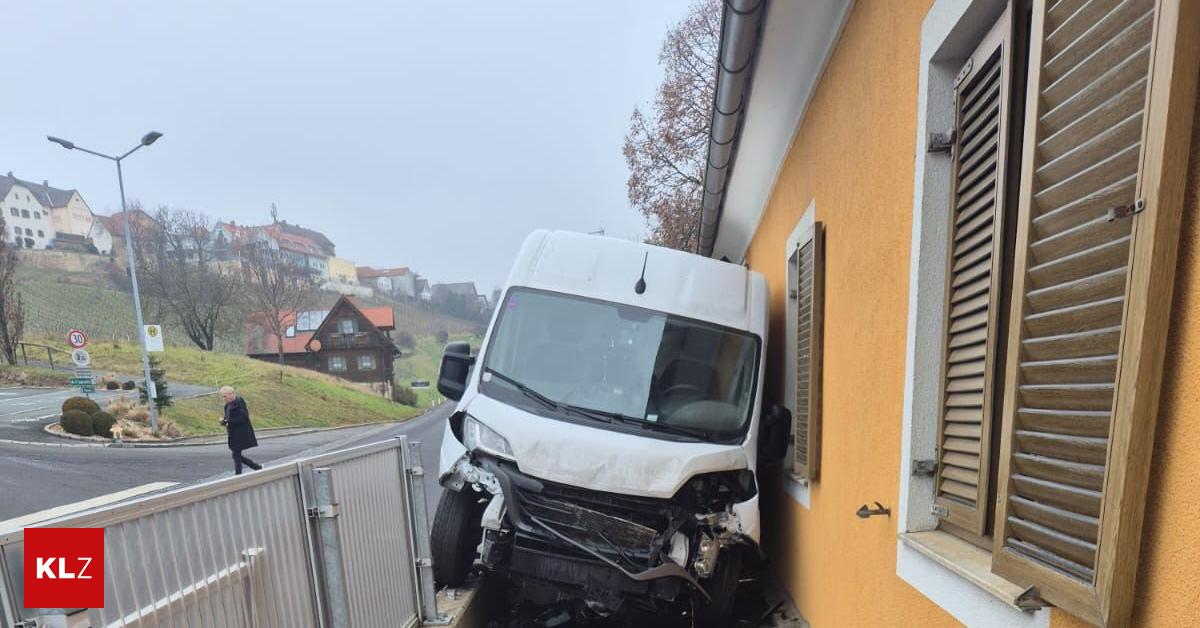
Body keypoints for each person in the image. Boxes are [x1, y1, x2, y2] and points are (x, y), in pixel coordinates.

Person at [220, 386, 262, 475]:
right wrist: (224, 421)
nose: (224, 398)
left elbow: (243, 417)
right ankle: (255, 467)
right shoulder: (227, 405)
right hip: (233, 434)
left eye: (225, 396)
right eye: (223, 396)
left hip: (241, 433)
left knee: (236, 454)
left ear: (231, 394)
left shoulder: (239, 403)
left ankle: (239, 474)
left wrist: (229, 422)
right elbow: (228, 418)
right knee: (236, 455)